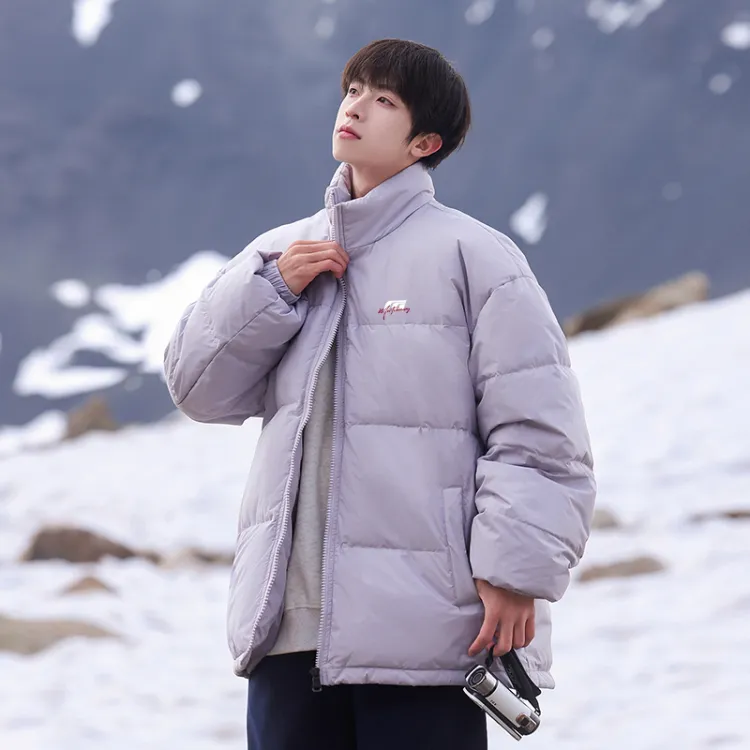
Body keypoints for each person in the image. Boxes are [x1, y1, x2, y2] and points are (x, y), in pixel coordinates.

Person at [164, 38, 596, 750]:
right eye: (354, 89)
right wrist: (271, 291)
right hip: (287, 635)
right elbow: (197, 389)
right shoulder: (282, 254)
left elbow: (539, 430)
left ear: (424, 142)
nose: (357, 106)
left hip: (423, 635)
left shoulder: (477, 257)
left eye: (384, 99)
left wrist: (516, 572)